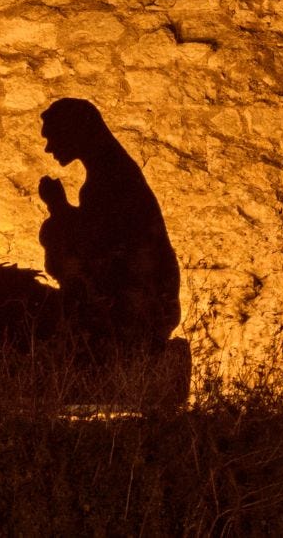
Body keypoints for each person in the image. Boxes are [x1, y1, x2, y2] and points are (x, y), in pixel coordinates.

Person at [37, 98, 180, 361]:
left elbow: (98, 249)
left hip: (137, 307)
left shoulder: (108, 180)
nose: (49, 148)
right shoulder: (109, 173)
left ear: (74, 132)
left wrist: (58, 208)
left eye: (53, 137)